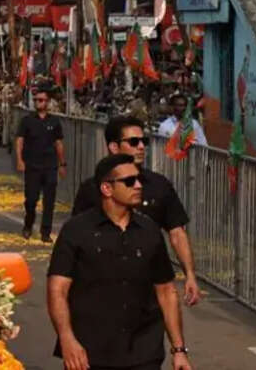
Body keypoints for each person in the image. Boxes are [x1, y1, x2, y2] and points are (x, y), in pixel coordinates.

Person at [48, 154, 192, 370]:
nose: (138, 185)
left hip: (144, 350)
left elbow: (166, 292)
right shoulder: (76, 231)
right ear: (107, 189)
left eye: (139, 179)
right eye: (129, 181)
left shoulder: (150, 231)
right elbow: (57, 290)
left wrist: (179, 350)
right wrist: (67, 339)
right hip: (90, 352)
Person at [72, 116, 201, 305]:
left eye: (144, 141)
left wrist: (189, 274)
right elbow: (76, 237)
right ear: (113, 147)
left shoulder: (159, 186)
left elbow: (177, 232)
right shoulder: (92, 189)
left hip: (147, 292)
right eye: (133, 142)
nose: (141, 147)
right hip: (101, 291)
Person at [15, 88, 65, 242]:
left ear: (48, 102)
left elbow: (59, 143)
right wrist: (19, 160)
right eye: (36, 100)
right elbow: (20, 140)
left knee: (49, 201)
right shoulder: (27, 120)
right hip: (32, 166)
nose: (38, 103)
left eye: (41, 100)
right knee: (31, 200)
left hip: (50, 166)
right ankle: (28, 225)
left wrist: (62, 163)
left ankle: (46, 232)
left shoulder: (55, 121)